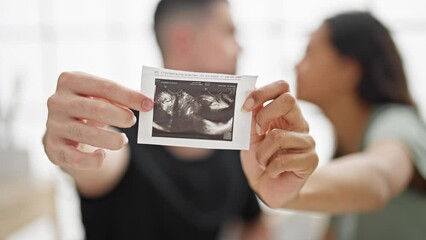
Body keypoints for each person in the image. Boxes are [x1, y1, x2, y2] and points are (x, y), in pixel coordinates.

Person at [42, 0, 318, 239]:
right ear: (184, 39)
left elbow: (253, 223)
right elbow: (97, 156)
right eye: (229, 32)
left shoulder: (241, 142)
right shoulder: (123, 128)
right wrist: (73, 137)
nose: (239, 48)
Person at [242, 11, 426, 240]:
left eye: (310, 52)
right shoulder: (344, 153)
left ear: (348, 70)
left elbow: (379, 178)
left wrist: (293, 187)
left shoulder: (397, 122)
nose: (297, 65)